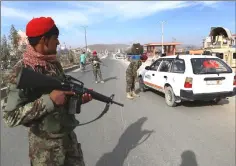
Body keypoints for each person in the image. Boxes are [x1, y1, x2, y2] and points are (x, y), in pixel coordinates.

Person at [2, 17, 93, 166]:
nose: (58, 42)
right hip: (45, 152)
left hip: (68, 140)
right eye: (55, 38)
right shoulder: (22, 72)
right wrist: (49, 101)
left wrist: (78, 99)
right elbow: (10, 117)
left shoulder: (53, 64)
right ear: (45, 40)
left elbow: (62, 96)